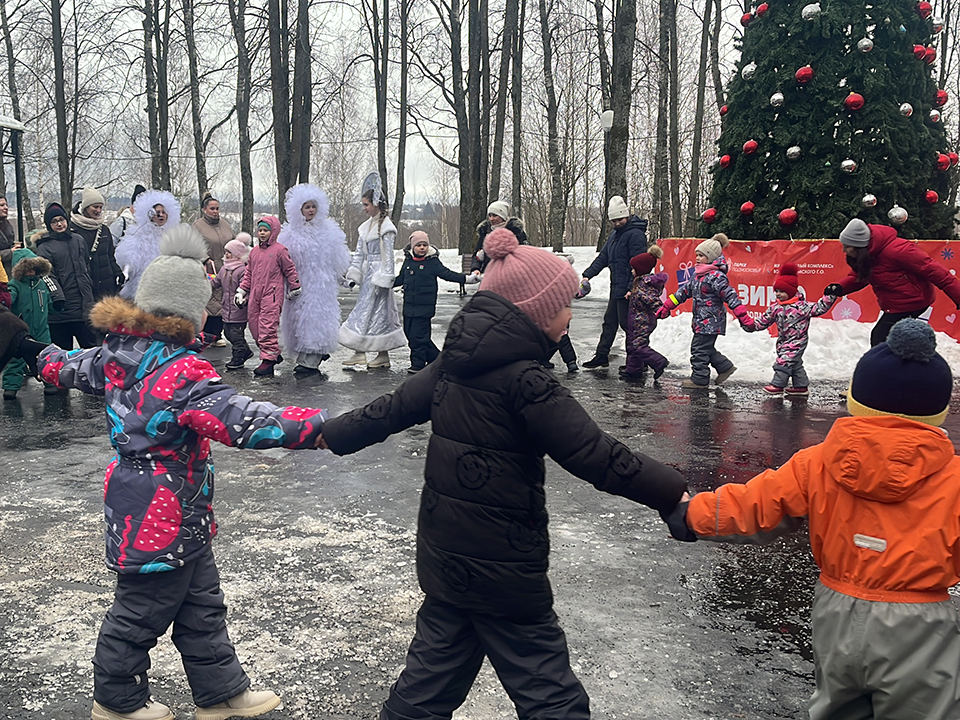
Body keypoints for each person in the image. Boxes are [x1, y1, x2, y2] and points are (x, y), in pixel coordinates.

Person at [318, 227, 688, 720]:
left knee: (427, 686)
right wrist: (673, 495)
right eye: (564, 306)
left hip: (446, 557)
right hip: (506, 570)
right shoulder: (527, 380)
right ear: (533, 311)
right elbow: (595, 454)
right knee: (551, 697)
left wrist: (334, 433)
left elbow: (391, 409)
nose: (568, 318)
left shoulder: (452, 363)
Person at [30, 226, 327, 720]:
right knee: (140, 610)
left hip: (167, 505)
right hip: (158, 512)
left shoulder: (113, 354)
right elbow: (244, 421)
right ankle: (117, 701)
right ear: (190, 312)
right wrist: (321, 427)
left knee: (201, 605)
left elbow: (66, 367)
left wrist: (40, 354)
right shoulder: (183, 373)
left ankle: (220, 693)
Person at [677, 318, 960, 720]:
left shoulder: (820, 462)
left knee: (837, 706)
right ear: (938, 413)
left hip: (836, 612)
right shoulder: (954, 480)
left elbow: (757, 504)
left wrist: (692, 514)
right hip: (920, 622)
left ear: (857, 401)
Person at [827, 218, 960, 346]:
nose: (844, 250)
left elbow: (935, 271)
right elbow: (860, 277)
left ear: (860, 246)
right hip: (895, 304)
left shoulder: (898, 250)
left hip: (912, 301)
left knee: (880, 338)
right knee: (889, 340)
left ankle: (890, 367)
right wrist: (840, 287)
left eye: (847, 247)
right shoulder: (868, 255)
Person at [656, 233, 750, 389]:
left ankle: (700, 379)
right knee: (705, 348)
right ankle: (724, 367)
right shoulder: (698, 275)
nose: (697, 258)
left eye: (701, 255)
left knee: (698, 349)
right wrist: (667, 306)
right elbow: (683, 292)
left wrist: (742, 315)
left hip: (711, 321)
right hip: (701, 321)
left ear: (711, 257)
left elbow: (730, 296)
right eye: (697, 255)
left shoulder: (716, 277)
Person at [278, 183, 351, 375]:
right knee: (299, 319)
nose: (310, 210)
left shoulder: (329, 231)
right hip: (299, 283)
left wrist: (342, 276)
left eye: (313, 206)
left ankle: (313, 357)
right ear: (298, 209)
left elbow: (338, 258)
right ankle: (306, 355)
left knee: (317, 318)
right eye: (306, 206)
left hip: (322, 284)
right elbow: (282, 259)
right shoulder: (290, 233)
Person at [338, 174, 406, 368]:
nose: (364, 208)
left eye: (367, 204)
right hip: (369, 275)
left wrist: (386, 278)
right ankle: (361, 352)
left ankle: (378, 353)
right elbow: (359, 253)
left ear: (377, 204)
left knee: (379, 314)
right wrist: (354, 272)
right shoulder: (365, 227)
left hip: (378, 274)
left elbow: (389, 256)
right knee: (366, 311)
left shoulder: (386, 227)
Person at [744, 262, 837, 397]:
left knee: (784, 361)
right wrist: (751, 326)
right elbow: (764, 320)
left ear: (791, 291)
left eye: (782, 291)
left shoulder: (801, 307)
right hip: (783, 341)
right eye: (776, 291)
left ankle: (778, 384)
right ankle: (801, 386)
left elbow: (819, 308)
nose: (778, 294)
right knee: (795, 363)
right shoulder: (775, 307)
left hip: (798, 340)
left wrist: (830, 296)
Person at [394, 230, 478, 373]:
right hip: (409, 305)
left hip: (424, 306)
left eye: (424, 245)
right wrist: (385, 283)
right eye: (419, 245)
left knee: (418, 337)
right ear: (412, 247)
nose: (422, 248)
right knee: (410, 333)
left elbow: (447, 274)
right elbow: (401, 279)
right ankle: (437, 359)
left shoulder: (432, 262)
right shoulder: (408, 261)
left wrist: (466, 279)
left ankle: (418, 364)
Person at [581, 196, 649, 369]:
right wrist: (588, 274)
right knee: (609, 322)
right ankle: (602, 355)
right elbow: (603, 257)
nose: (617, 223)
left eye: (620, 219)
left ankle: (639, 360)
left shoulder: (635, 235)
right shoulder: (614, 235)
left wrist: (630, 288)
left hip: (628, 289)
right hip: (616, 287)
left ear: (626, 216)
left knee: (629, 327)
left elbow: (640, 264)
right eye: (614, 220)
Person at [235, 216, 300, 377]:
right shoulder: (254, 252)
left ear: (273, 232)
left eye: (266, 230)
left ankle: (268, 360)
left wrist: (295, 285)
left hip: (271, 294)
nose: (262, 233)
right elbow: (249, 273)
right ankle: (272, 353)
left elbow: (290, 269)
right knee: (254, 326)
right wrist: (242, 290)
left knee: (267, 326)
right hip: (255, 293)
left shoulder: (279, 250)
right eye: (260, 230)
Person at [34, 202, 97, 350]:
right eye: (54, 221)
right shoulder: (44, 247)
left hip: (84, 307)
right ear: (49, 225)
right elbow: (46, 274)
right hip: (61, 312)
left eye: (61, 220)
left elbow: (86, 268)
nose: (59, 224)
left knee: (92, 352)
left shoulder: (78, 240)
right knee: (63, 356)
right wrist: (57, 297)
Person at [2, 246, 63, 399]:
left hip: (42, 328)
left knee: (46, 355)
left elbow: (48, 303)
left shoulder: (42, 284)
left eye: (34, 268)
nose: (31, 271)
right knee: (17, 358)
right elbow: (10, 299)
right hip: (23, 327)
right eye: (27, 268)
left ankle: (50, 382)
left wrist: (56, 307)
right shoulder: (15, 285)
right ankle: (10, 386)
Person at [114, 189, 180, 300]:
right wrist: (126, 271)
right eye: (157, 212)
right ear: (149, 213)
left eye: (164, 212)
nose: (161, 215)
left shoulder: (172, 235)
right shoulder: (139, 232)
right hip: (142, 282)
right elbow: (131, 255)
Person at [192, 193, 236, 345]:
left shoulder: (225, 224)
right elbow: (193, 245)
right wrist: (204, 258)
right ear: (204, 210)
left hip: (226, 267)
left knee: (223, 300)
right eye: (212, 209)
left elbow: (233, 241)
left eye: (217, 208)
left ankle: (218, 333)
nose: (215, 211)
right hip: (207, 268)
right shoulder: (197, 226)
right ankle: (207, 333)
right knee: (210, 301)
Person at [621, 245, 668, 380]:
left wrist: (661, 310)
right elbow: (643, 297)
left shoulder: (644, 286)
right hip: (637, 320)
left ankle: (658, 361)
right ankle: (633, 370)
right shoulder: (641, 283)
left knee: (637, 346)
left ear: (641, 270)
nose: (632, 271)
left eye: (634, 269)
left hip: (643, 321)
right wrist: (633, 296)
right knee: (632, 344)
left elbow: (651, 299)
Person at [70, 187, 123, 301]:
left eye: (100, 207)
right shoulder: (72, 229)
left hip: (106, 285)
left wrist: (117, 272)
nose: (98, 210)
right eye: (95, 207)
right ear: (85, 207)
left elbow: (110, 256)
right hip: (84, 286)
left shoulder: (104, 230)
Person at [213, 235, 253, 371]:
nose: (226, 254)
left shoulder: (242, 270)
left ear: (237, 254)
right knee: (228, 333)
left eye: (229, 252)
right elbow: (217, 282)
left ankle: (238, 357)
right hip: (226, 308)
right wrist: (205, 284)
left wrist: (243, 300)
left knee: (236, 335)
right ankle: (245, 351)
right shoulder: (224, 269)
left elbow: (246, 288)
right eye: (226, 252)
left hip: (238, 309)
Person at [469, 200, 528, 274]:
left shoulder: (516, 231)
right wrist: (475, 268)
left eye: (495, 215)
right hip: (488, 272)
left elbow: (524, 254)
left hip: (512, 273)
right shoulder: (485, 231)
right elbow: (477, 255)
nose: (491, 219)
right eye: (490, 215)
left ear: (503, 216)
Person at [0, 196, 16, 278]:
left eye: (6, 205)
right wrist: (10, 252)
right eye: (2, 205)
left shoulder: (7, 224)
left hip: (9, 272)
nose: (6, 208)